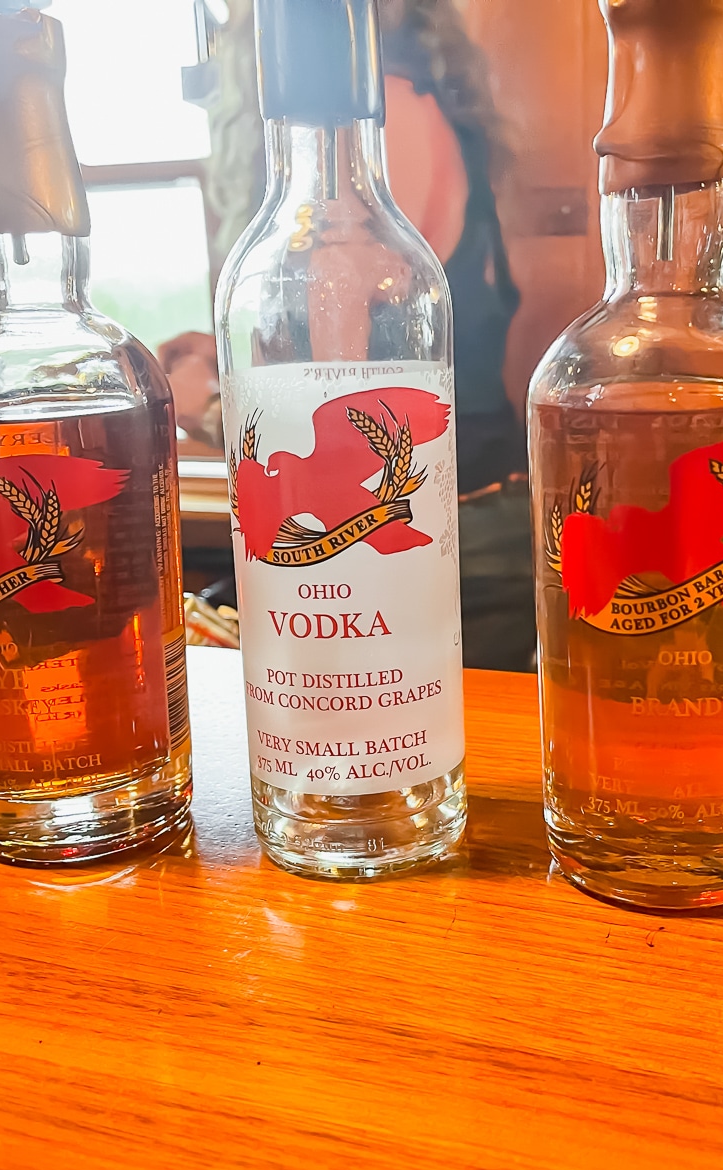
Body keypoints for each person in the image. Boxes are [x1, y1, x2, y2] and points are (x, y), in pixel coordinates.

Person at [166, 0, 536, 671]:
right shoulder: (424, 107)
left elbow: (333, 373)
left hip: (446, 535)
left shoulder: (366, 130)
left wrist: (206, 404)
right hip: (464, 519)